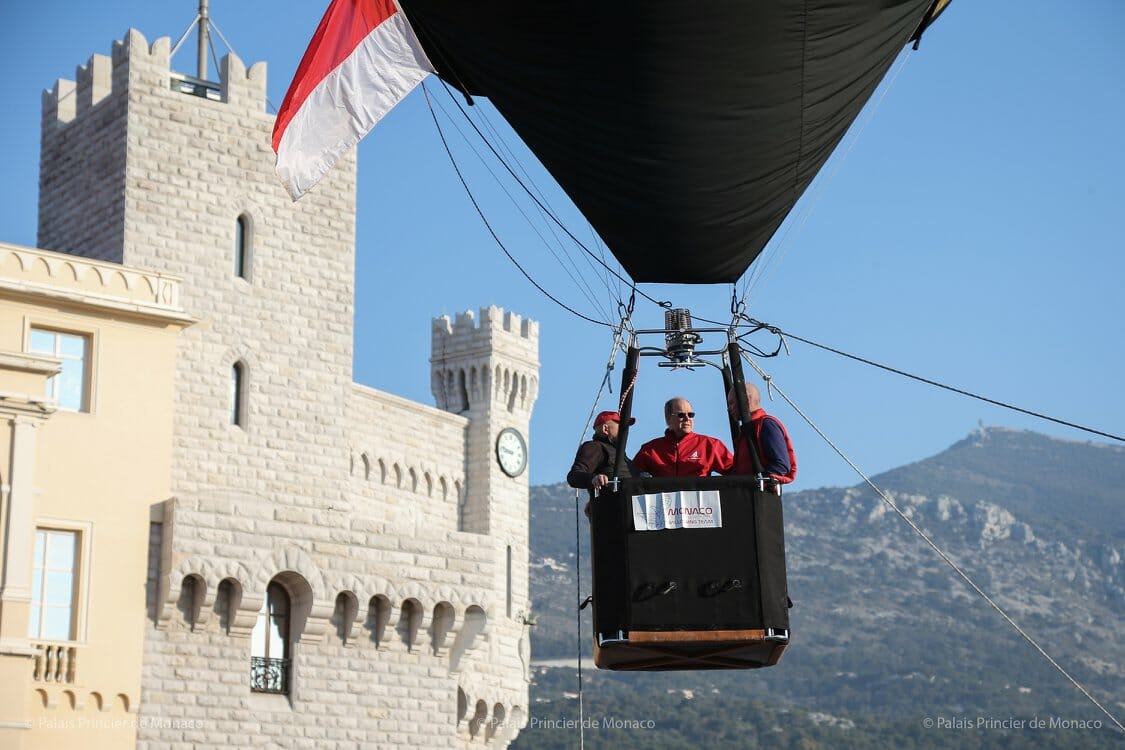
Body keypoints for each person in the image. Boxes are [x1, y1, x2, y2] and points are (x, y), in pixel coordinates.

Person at [633, 397, 734, 477]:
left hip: (700, 502)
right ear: (668, 419)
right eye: (681, 415)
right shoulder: (650, 450)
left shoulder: (710, 445)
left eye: (690, 414)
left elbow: (735, 471)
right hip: (665, 502)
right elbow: (631, 477)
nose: (687, 419)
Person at [727, 382, 797, 483]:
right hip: (745, 495)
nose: (730, 408)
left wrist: (756, 481)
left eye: (732, 403)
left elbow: (781, 465)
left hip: (759, 495)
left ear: (746, 400)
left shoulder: (766, 425)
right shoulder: (747, 431)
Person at [567, 410, 634, 497]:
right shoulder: (596, 447)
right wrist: (594, 478)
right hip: (613, 506)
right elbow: (573, 476)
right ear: (605, 429)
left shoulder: (620, 454)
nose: (624, 431)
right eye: (620, 426)